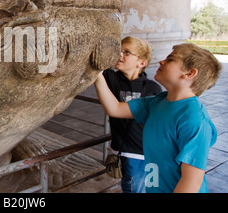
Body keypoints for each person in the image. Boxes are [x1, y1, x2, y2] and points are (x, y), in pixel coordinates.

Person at [94, 43, 221, 193]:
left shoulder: (194, 119)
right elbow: (115, 108)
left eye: (170, 59)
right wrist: (95, 73)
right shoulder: (158, 101)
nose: (161, 61)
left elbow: (191, 182)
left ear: (189, 73)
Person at [103, 36, 162, 193]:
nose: (120, 55)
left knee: (151, 188)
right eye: (119, 51)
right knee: (132, 187)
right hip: (128, 152)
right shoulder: (111, 78)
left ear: (142, 62)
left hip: (149, 153)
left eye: (127, 52)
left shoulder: (153, 88)